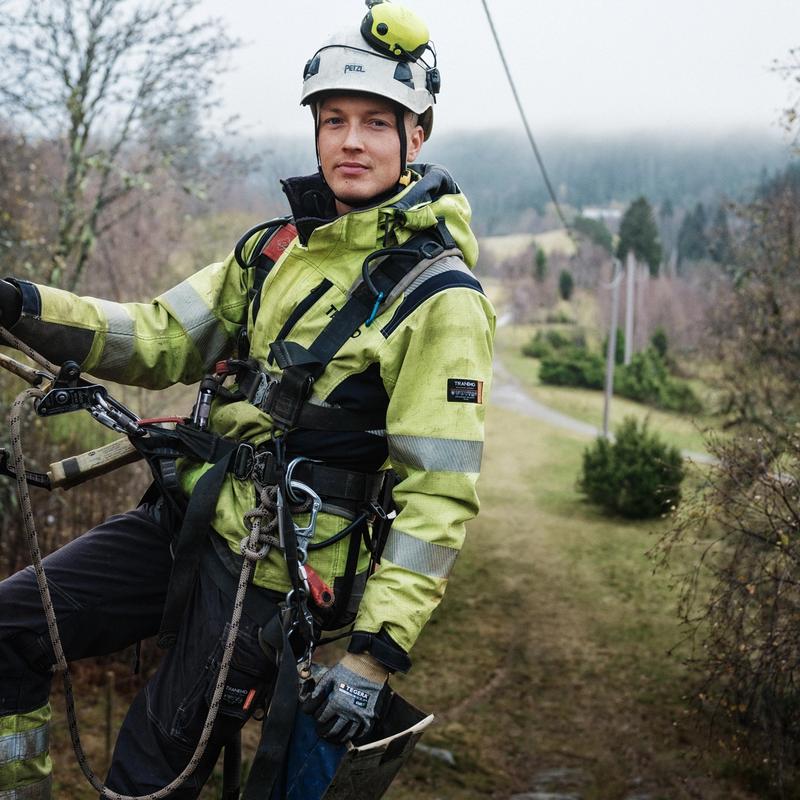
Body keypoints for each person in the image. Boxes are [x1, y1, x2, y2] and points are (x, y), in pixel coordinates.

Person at [0, 1, 495, 797]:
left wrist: (372, 656)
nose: (352, 140)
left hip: (274, 571)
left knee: (146, 777)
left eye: (377, 121)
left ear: (417, 136)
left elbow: (439, 495)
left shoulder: (439, 299)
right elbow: (156, 336)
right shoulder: (272, 251)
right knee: (9, 629)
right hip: (186, 520)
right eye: (334, 120)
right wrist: (23, 305)